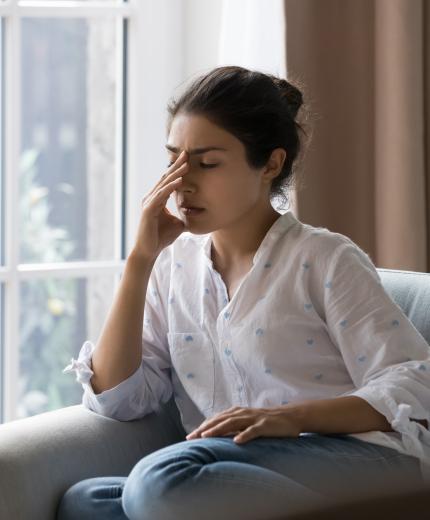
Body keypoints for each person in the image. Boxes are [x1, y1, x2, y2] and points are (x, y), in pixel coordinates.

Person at [58, 65, 430, 520]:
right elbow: (118, 398)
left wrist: (291, 419)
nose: (182, 182)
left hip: (353, 459)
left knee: (160, 483)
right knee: (86, 503)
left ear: (270, 164)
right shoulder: (172, 267)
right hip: (234, 471)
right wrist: (139, 261)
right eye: (173, 159)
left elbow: (414, 382)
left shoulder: (323, 258)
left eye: (207, 163)